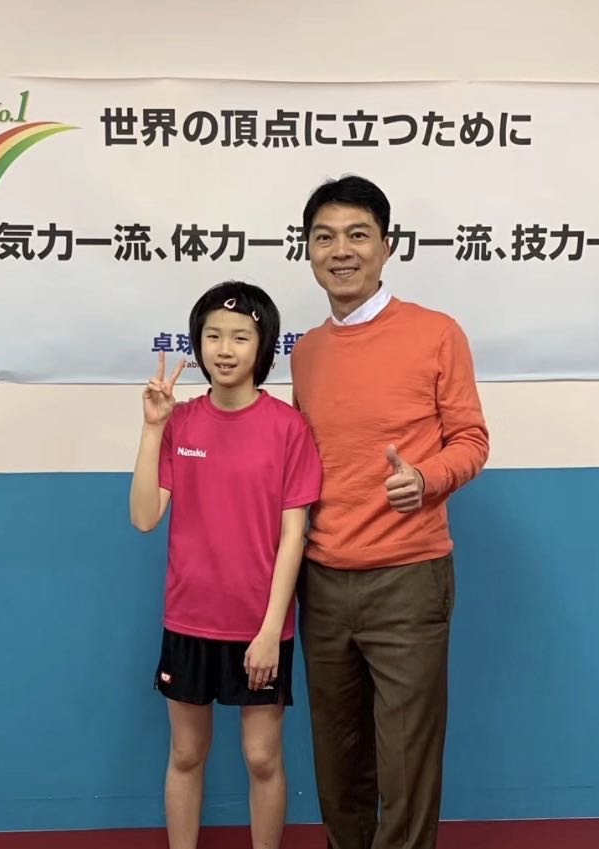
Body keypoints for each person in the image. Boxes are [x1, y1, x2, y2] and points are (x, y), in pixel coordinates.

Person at [291, 176, 490, 849]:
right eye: (324, 238)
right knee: (337, 762)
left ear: (386, 245)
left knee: (406, 765)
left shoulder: (436, 333)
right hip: (321, 580)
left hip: (407, 578)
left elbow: (471, 439)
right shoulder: (306, 351)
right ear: (308, 251)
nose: (340, 251)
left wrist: (427, 479)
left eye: (357, 235)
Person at [130, 280, 322, 849]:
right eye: (213, 335)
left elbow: (294, 536)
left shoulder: (288, 428)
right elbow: (144, 517)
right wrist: (153, 428)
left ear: (263, 348)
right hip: (189, 620)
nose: (225, 348)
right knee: (187, 753)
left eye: (240, 337)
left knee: (262, 757)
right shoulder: (182, 422)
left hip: (260, 627)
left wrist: (270, 632)